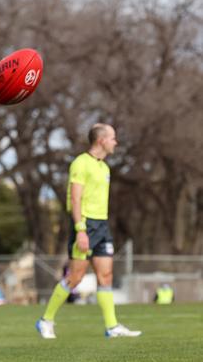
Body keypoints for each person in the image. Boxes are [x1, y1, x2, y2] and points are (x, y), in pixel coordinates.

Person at [36, 123, 141, 339]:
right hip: (85, 225)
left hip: (102, 225)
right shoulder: (81, 163)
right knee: (76, 277)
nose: (116, 142)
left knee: (106, 276)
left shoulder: (105, 167)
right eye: (113, 138)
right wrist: (80, 229)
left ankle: (112, 327)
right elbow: (75, 198)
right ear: (101, 140)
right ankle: (45, 320)